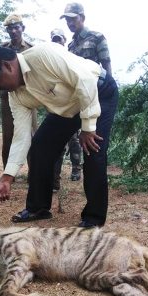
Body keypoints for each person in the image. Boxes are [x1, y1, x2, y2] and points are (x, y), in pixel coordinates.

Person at [0, 43, 119, 228]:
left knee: (93, 150)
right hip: (69, 106)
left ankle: (94, 218)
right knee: (40, 146)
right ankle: (38, 207)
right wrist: (7, 177)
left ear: (7, 65)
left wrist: (88, 127)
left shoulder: (42, 55)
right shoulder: (16, 97)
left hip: (98, 92)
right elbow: (21, 137)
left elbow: (84, 80)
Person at [0, 13, 37, 170]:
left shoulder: (31, 48)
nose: (13, 31)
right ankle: (8, 172)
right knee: (8, 135)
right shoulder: (2, 49)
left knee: (31, 135)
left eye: (16, 27)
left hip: (29, 97)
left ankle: (33, 172)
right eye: (10, 29)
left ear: (22, 28)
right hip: (8, 97)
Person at [49, 28, 83, 192]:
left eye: (59, 39)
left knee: (74, 140)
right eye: (54, 39)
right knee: (56, 144)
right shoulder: (48, 57)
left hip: (72, 104)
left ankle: (77, 168)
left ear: (64, 40)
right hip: (56, 105)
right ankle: (54, 180)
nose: (57, 42)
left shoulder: (72, 54)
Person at [61, 2, 112, 76]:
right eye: (67, 20)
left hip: (96, 85)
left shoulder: (97, 37)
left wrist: (109, 86)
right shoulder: (70, 46)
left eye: (73, 19)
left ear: (82, 18)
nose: (70, 23)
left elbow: (106, 65)